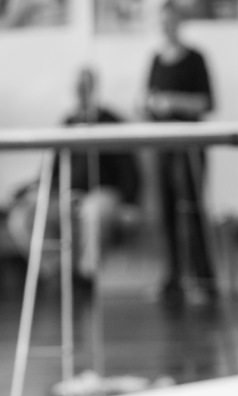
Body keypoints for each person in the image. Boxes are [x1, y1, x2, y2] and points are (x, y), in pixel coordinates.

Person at [145, 0, 217, 305]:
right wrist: (151, 105)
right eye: (163, 22)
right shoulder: (156, 60)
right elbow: (148, 99)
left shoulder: (196, 59)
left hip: (190, 147)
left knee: (192, 210)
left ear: (180, 23)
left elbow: (207, 103)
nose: (167, 27)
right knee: (167, 214)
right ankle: (173, 279)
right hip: (163, 147)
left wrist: (173, 102)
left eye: (171, 21)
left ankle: (204, 280)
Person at [61, 67, 142, 289]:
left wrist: (131, 201)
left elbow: (129, 167)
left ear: (93, 88)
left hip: (104, 193)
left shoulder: (111, 121)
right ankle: (58, 273)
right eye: (78, 87)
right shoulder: (68, 123)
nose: (81, 92)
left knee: (93, 211)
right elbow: (52, 165)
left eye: (85, 87)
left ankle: (86, 278)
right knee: (25, 217)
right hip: (71, 193)